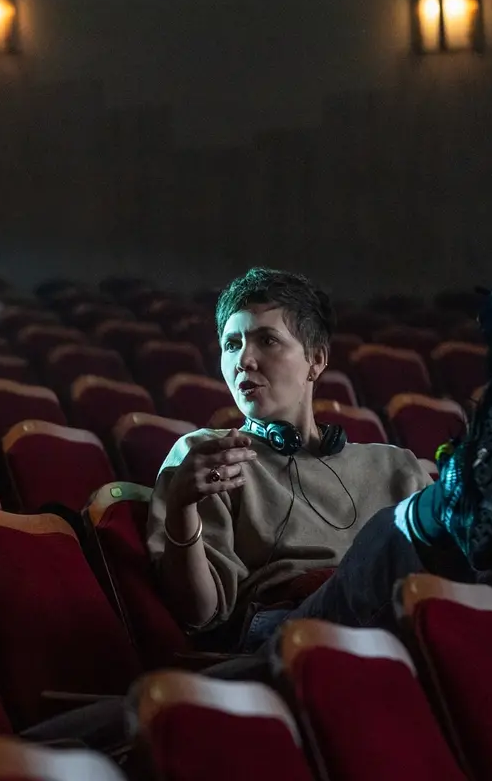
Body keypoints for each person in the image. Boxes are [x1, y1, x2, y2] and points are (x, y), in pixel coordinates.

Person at [147, 268, 434, 651]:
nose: (245, 360)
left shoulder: (396, 467)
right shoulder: (209, 457)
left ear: (316, 360)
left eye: (267, 340)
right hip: (284, 633)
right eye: (232, 344)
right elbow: (199, 615)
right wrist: (182, 507)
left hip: (395, 622)